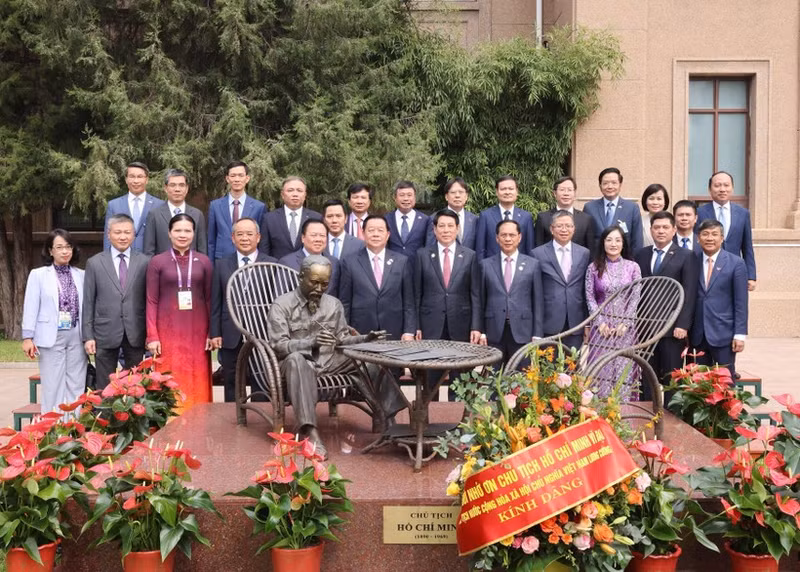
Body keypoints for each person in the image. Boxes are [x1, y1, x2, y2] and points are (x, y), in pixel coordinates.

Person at [268, 255, 405, 458]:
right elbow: (278, 345)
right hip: (296, 365)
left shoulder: (333, 304)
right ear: (301, 276)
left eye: (325, 283)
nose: (319, 288)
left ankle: (389, 420)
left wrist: (365, 338)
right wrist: (310, 343)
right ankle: (309, 431)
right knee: (296, 360)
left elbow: (341, 339)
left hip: (329, 359)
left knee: (367, 357)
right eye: (314, 282)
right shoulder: (282, 305)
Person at [146, 213, 214, 412]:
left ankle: (200, 422)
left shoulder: (204, 261)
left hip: (197, 331)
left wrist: (211, 332)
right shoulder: (157, 262)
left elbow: (210, 299)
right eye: (177, 230)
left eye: (187, 230)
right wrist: (152, 335)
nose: (182, 234)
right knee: (169, 375)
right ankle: (169, 424)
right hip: (167, 332)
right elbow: (151, 300)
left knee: (197, 376)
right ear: (169, 233)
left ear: (194, 234)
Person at [415, 210, 482, 396]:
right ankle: (428, 419)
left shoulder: (469, 255)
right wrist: (416, 326)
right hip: (430, 325)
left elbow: (475, 294)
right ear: (434, 230)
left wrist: (476, 326)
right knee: (430, 377)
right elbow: (416, 294)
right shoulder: (422, 255)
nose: (446, 230)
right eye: (441, 226)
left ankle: (460, 422)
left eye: (450, 226)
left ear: (457, 229)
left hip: (461, 323)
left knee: (461, 378)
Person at [210, 217, 277, 402]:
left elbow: (276, 301)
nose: (245, 238)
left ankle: (260, 419)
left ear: (258, 237)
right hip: (230, 332)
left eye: (249, 234)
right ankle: (234, 419)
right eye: (240, 234)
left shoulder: (271, 264)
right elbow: (216, 302)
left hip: (260, 332)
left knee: (261, 378)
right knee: (231, 379)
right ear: (233, 238)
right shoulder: (222, 265)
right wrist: (215, 333)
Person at [633, 211, 698, 398]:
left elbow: (690, 292)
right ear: (651, 230)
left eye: (665, 227)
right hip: (646, 328)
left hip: (672, 328)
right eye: (656, 227)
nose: (660, 231)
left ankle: (672, 421)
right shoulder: (642, 254)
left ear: (674, 230)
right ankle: (646, 419)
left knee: (672, 379)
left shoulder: (686, 255)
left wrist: (683, 324)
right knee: (646, 377)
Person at [21, 229, 87, 413]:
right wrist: (28, 337)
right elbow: (31, 306)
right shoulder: (39, 275)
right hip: (51, 335)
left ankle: (74, 428)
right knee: (53, 384)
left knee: (76, 383)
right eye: (59, 247)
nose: (64, 251)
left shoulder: (81, 275)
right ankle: (52, 430)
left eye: (68, 247)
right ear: (50, 251)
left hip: (76, 333)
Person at [83, 214, 150, 389]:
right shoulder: (95, 263)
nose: (122, 236)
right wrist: (88, 336)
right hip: (104, 332)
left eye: (127, 232)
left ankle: (133, 416)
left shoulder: (145, 262)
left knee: (135, 383)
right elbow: (88, 302)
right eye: (118, 232)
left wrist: (150, 333)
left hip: (135, 331)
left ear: (134, 234)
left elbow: (149, 300)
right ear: (108, 234)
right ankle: (105, 416)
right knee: (104, 385)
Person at [585, 225, 642, 400]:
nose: (613, 244)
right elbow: (590, 296)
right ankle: (600, 413)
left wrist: (626, 323)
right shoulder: (593, 268)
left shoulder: (633, 267)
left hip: (625, 329)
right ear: (603, 243)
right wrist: (599, 322)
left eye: (618, 240)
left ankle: (625, 416)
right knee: (601, 370)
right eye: (609, 240)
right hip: (601, 328)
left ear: (623, 243)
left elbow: (635, 297)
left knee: (623, 370)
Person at [339, 215, 416, 342]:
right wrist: (345, 331)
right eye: (371, 230)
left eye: (380, 230)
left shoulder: (401, 261)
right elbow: (345, 302)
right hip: (360, 331)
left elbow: (409, 301)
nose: (375, 234)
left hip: (394, 329)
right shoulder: (350, 262)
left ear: (388, 234)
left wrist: (409, 331)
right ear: (363, 233)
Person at [479, 220, 543, 363]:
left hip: (523, 331)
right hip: (494, 331)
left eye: (512, 235)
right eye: (504, 235)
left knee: (520, 379)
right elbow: (480, 300)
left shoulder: (532, 264)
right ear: (497, 238)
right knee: (494, 378)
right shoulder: (485, 265)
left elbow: (537, 301)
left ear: (519, 237)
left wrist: (537, 333)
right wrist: (481, 331)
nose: (508, 239)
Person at [690, 219, 748, 377]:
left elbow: (741, 303)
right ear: (698, 238)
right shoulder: (691, 260)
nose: (710, 238)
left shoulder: (736, 263)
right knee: (698, 384)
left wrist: (740, 334)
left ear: (722, 238)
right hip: (698, 334)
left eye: (714, 234)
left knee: (725, 382)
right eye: (705, 234)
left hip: (724, 333)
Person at [531, 210, 591, 351]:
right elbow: (536, 293)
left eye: (568, 226)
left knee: (572, 368)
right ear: (552, 229)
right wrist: (537, 329)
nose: (564, 229)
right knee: (547, 368)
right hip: (548, 322)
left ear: (574, 229)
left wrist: (587, 323)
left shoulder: (584, 253)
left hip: (575, 323)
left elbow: (585, 290)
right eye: (559, 226)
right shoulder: (537, 253)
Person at [695, 171, 756, 290]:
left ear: (732, 188)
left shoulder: (743, 213)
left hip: (734, 269)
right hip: (706, 270)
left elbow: (747, 246)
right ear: (709, 189)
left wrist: (751, 275)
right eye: (717, 185)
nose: (722, 189)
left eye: (726, 185)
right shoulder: (699, 213)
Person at [207, 160, 267, 262]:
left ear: (247, 178)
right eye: (233, 176)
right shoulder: (215, 206)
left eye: (240, 175)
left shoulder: (259, 207)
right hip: (222, 260)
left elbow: (261, 240)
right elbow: (211, 240)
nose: (237, 179)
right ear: (227, 179)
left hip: (249, 261)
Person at [144, 169, 208, 256]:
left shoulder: (197, 214)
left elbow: (202, 249)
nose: (177, 189)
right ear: (166, 188)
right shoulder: (154, 214)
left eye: (181, 185)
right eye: (172, 185)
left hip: (191, 267)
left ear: (186, 189)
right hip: (163, 267)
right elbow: (149, 250)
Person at [104, 162, 164, 252]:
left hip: (150, 259)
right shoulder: (114, 205)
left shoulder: (159, 205)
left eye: (140, 177)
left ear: (146, 180)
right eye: (132, 176)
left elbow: (162, 236)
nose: (136, 181)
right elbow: (108, 237)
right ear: (126, 179)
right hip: (122, 259)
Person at [259, 176, 321, 259]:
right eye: (290, 190)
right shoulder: (269, 219)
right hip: (278, 269)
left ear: (305, 195)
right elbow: (264, 252)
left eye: (299, 190)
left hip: (309, 269)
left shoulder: (316, 218)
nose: (295, 194)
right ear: (282, 194)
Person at [583, 167, 644, 252]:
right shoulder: (589, 207)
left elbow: (637, 240)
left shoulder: (632, 208)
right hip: (597, 261)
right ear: (600, 186)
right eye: (605, 183)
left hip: (623, 261)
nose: (610, 186)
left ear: (620, 185)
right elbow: (586, 239)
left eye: (614, 183)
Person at [475, 175, 535, 259]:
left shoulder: (526, 217)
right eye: (503, 189)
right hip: (492, 268)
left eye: (511, 189)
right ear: (496, 192)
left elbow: (530, 247)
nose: (507, 192)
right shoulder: (485, 216)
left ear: (517, 191)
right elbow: (480, 248)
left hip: (519, 268)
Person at [278, 219, 340, 297]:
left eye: (322, 236)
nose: (318, 239)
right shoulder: (287, 263)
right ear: (303, 238)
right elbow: (279, 296)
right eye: (313, 235)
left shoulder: (334, 263)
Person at [534, 176, 595, 249]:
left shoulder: (586, 219)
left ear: (574, 193)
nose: (566, 193)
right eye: (562, 190)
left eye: (569, 190)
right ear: (554, 193)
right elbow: (538, 247)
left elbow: (590, 249)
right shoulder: (543, 218)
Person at [385, 181, 431, 268]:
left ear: (415, 198)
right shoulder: (386, 219)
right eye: (402, 195)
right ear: (395, 198)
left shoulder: (425, 220)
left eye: (409, 195)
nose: (406, 199)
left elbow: (428, 246)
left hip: (417, 268)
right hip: (392, 269)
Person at [440, 177, 478, 251]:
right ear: (446, 197)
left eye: (461, 192)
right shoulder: (436, 218)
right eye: (453, 192)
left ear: (466, 196)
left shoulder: (474, 220)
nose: (457, 196)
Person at [640, 184, 670, 248]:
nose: (655, 202)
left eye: (659, 199)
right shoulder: (640, 221)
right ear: (645, 201)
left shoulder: (672, 221)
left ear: (665, 201)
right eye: (651, 198)